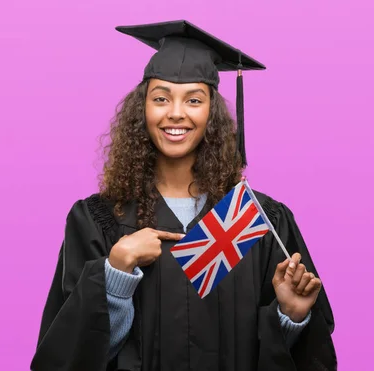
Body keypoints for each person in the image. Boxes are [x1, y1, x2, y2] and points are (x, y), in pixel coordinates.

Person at [30, 20, 336, 371]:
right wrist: (115, 273)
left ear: (212, 114)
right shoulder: (99, 219)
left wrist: (290, 317)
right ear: (142, 109)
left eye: (194, 99)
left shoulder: (256, 219)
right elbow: (67, 355)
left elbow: (303, 354)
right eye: (161, 98)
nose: (175, 113)